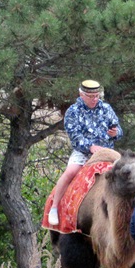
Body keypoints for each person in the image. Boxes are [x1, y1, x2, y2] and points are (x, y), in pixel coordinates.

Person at [48, 79, 121, 226]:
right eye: (91, 96)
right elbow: (75, 137)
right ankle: (54, 207)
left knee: (126, 172)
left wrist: (116, 133)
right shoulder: (73, 112)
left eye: (97, 96)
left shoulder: (106, 108)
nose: (95, 99)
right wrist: (90, 147)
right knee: (70, 172)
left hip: (107, 152)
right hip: (83, 153)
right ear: (82, 95)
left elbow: (118, 130)